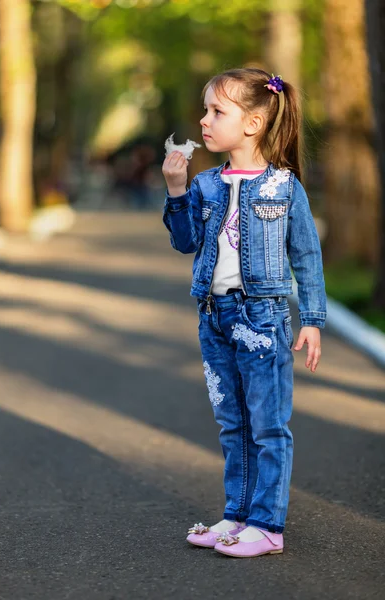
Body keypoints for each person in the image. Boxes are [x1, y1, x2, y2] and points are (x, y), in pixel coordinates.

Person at [161, 68, 326, 558]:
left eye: (217, 112)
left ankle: (267, 526)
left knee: (268, 424)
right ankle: (236, 515)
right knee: (232, 422)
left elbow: (307, 256)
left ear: (253, 123)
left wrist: (313, 319)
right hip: (214, 317)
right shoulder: (207, 184)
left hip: (263, 319)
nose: (203, 120)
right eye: (206, 110)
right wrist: (175, 190)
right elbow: (185, 241)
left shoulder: (282, 187)